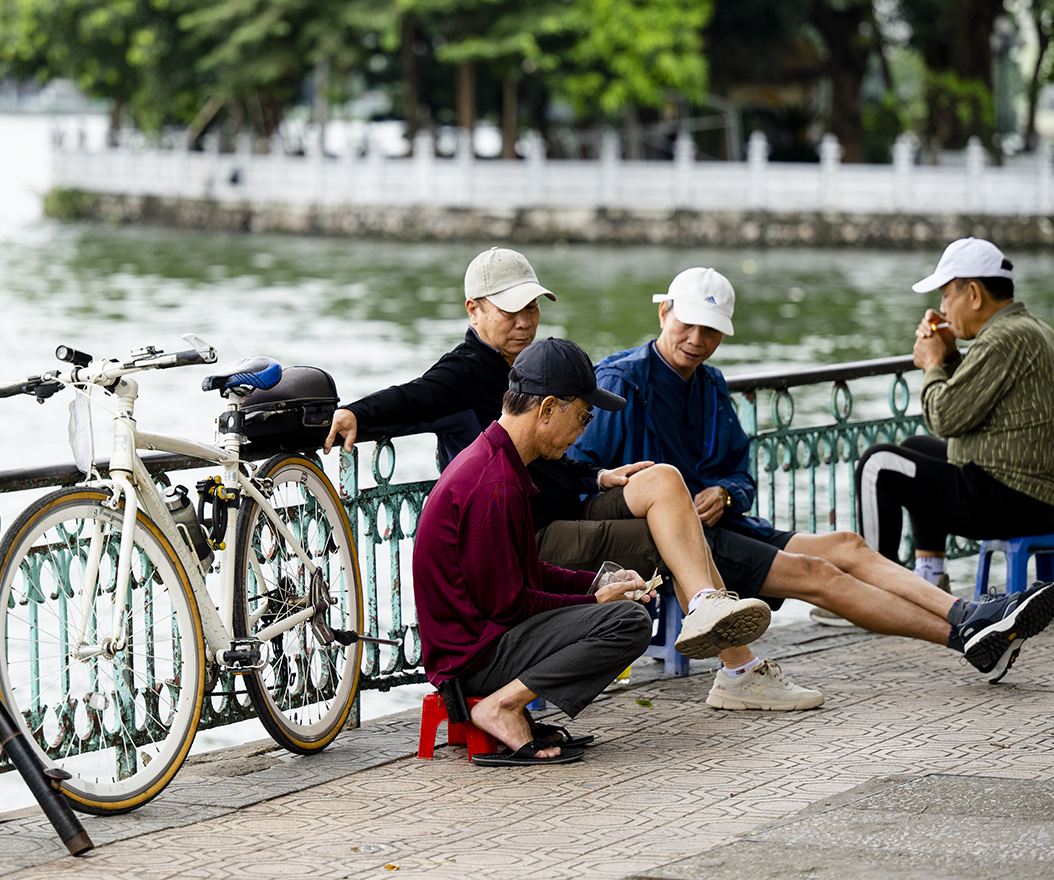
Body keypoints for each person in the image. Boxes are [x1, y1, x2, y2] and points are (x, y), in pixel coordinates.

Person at [326, 248, 807, 710]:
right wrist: (354, 416)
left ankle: (707, 607)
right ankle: (739, 669)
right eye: (511, 311)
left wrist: (598, 475)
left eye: (531, 308)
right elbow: (412, 399)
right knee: (669, 539)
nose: (525, 322)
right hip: (525, 530)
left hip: (565, 503)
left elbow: (554, 452)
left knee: (662, 479)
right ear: (473, 311)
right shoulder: (464, 374)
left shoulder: (531, 364)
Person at [570, 266, 1054, 683]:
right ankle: (967, 639)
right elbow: (579, 477)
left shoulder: (711, 384)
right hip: (680, 543)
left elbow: (741, 474)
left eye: (712, 330)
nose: (698, 341)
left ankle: (970, 615)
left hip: (726, 526)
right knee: (818, 574)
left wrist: (726, 493)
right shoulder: (619, 382)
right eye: (689, 325)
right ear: (664, 313)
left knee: (847, 545)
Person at [412, 337, 654, 765]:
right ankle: (501, 706)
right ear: (545, 409)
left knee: (622, 610)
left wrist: (599, 583)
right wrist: (595, 602)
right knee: (630, 622)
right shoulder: (495, 485)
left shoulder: (497, 461)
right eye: (582, 416)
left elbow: (527, 573)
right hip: (473, 658)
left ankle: (507, 702)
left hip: (482, 642)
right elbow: (511, 605)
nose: (584, 431)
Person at [854, 239, 1054, 660]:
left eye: (946, 294)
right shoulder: (1028, 330)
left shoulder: (1004, 339)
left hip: (1010, 498)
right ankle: (929, 577)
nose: (943, 306)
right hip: (1035, 497)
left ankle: (872, 590)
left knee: (879, 464)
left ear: (972, 293)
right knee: (916, 449)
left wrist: (934, 363)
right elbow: (975, 402)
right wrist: (953, 357)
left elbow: (948, 418)